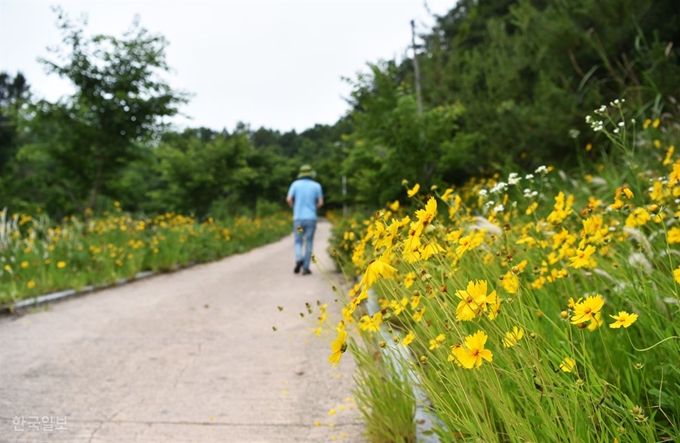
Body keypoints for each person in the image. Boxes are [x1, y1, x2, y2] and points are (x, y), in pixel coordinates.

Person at [286, 164, 324, 275]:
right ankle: (306, 268)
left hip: (298, 218)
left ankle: (299, 258)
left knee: (298, 241)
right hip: (311, 218)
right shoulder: (317, 186)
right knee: (309, 242)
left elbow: (288, 199)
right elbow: (320, 203)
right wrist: (314, 208)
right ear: (311, 173)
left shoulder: (295, 184)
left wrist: (294, 207)